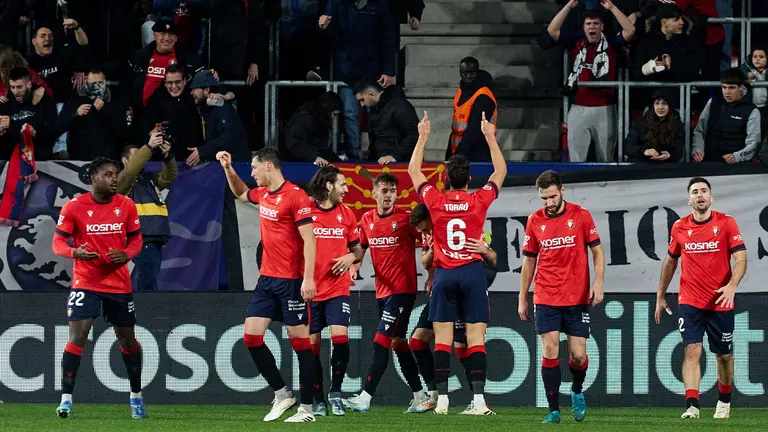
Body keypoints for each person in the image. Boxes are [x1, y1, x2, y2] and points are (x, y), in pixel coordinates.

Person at [407, 110, 506, 415]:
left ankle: (443, 400)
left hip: (445, 274)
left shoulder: (435, 200)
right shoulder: (479, 200)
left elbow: (413, 170)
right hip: (472, 272)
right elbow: (500, 171)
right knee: (475, 340)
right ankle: (479, 401)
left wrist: (423, 136)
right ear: (469, 179)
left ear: (446, 179)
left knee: (442, 340)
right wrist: (489, 136)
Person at [215, 147, 318, 423]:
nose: (252, 173)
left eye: (254, 167)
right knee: (251, 337)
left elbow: (309, 239)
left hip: (291, 281)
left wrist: (308, 278)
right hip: (267, 280)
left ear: (269, 166)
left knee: (301, 345)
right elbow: (240, 193)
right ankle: (282, 394)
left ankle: (307, 410)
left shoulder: (296, 196)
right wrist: (228, 168)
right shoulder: (264, 194)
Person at [51, 157, 145, 419]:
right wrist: (75, 252)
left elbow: (137, 241)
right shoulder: (74, 207)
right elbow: (57, 243)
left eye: (116, 174)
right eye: (108, 174)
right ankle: (66, 400)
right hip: (86, 281)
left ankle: (136, 396)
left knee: (127, 339)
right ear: (93, 177)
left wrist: (126, 254)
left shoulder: (126, 205)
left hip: (118, 283)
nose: (114, 179)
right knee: (78, 336)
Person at [654, 177, 746, 420]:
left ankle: (724, 401)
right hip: (690, 301)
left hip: (721, 302)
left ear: (711, 197)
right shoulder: (679, 227)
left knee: (723, 356)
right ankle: (692, 406)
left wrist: (732, 286)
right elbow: (670, 262)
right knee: (692, 351)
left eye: (704, 191)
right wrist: (661, 295)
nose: (700, 195)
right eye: (695, 192)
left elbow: (741, 259)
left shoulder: (726, 223)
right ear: (689, 200)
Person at [518, 170, 605, 424]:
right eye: (544, 198)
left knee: (578, 355)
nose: (549, 202)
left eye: (552, 196)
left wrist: (599, 282)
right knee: (550, 347)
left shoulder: (581, 215)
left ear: (562, 191)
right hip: (546, 294)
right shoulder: (534, 220)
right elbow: (529, 261)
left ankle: (577, 390)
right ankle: (553, 410)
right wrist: (522, 296)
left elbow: (597, 252)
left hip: (577, 296)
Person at [345, 173, 429, 413]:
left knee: (380, 341)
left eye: (392, 191)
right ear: (374, 193)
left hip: (402, 291)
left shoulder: (405, 219)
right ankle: (419, 395)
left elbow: (428, 239)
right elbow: (361, 249)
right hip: (382, 292)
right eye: (384, 190)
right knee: (398, 343)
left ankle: (365, 397)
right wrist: (354, 267)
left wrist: (432, 274)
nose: (389, 195)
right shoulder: (367, 220)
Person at [408, 203, 498, 413]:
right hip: (441, 290)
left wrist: (484, 249)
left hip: (463, 290)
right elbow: (425, 262)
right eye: (419, 230)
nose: (422, 232)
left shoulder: (460, 229)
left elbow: (493, 258)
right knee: (417, 341)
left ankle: (478, 400)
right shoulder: (429, 235)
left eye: (424, 227)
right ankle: (435, 395)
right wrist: (432, 251)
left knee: (462, 345)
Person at [306, 165, 363, 417]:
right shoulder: (306, 212)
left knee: (340, 340)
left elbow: (358, 249)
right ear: (329, 186)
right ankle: (318, 399)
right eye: (342, 184)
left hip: (337, 289)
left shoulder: (347, 214)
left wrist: (351, 257)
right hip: (310, 290)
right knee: (312, 347)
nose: (346, 189)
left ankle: (336, 393)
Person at [116, 132, 178, 292]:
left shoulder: (149, 179)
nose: (144, 157)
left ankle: (145, 304)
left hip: (153, 235)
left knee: (149, 277)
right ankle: (146, 306)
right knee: (147, 282)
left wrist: (168, 157)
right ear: (125, 161)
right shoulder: (122, 181)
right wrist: (149, 146)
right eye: (138, 155)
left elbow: (169, 177)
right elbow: (130, 172)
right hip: (140, 236)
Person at [692, 68, 761, 164]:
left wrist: (737, 156)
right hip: (709, 160)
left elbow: (754, 143)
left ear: (741, 87)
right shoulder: (713, 102)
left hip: (737, 164)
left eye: (731, 88)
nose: (727, 92)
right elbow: (700, 130)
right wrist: (697, 148)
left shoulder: (752, 111)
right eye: (724, 87)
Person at [353, 79, 419, 164]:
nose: (362, 104)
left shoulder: (400, 105)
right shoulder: (372, 110)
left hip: (401, 163)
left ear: (371, 95)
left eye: (362, 100)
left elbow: (415, 133)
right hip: (381, 162)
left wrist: (395, 156)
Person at [446, 57, 497, 162]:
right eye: (466, 73)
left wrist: (458, 158)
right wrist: (450, 154)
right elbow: (455, 127)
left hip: (477, 155)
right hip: (460, 151)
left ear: (477, 72)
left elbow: (474, 133)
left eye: (472, 73)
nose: (469, 76)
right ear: (460, 73)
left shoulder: (483, 96)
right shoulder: (461, 91)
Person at [624, 89, 684, 163]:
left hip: (666, 165)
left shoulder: (677, 124)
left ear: (669, 106)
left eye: (664, 103)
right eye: (657, 103)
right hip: (641, 163)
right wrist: (644, 152)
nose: (660, 107)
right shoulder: (639, 123)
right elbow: (628, 147)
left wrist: (670, 155)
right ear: (653, 105)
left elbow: (679, 151)